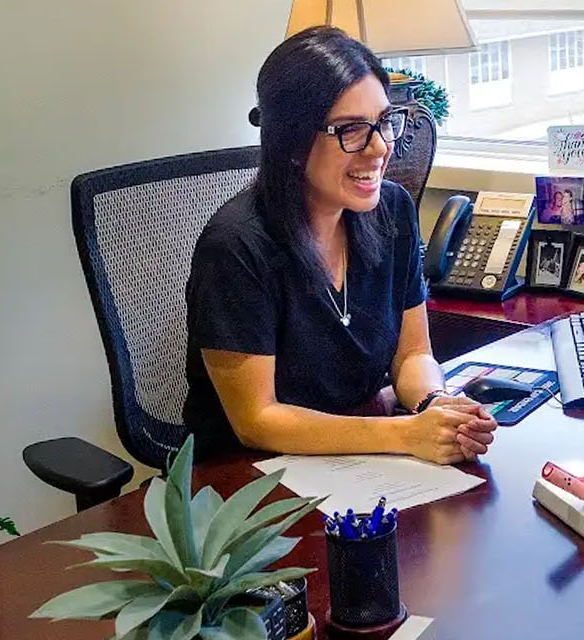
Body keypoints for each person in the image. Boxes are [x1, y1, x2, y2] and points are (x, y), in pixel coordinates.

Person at [183, 27, 496, 463]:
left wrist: (434, 405)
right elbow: (257, 419)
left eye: (384, 121)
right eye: (351, 130)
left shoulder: (392, 211)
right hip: (247, 482)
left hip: (357, 460)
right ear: (292, 142)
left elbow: (413, 353)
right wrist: (405, 434)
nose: (381, 148)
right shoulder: (236, 247)